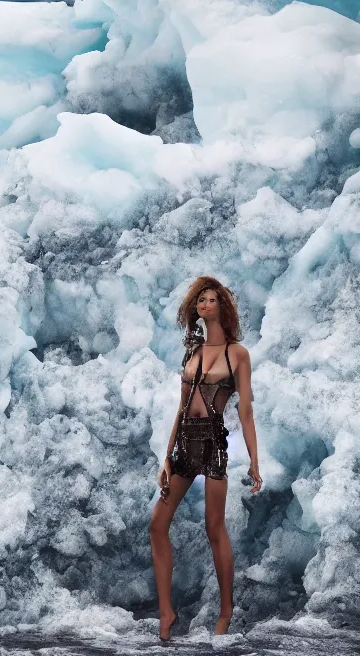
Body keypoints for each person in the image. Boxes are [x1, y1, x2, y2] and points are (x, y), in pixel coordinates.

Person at [148, 275, 263, 642]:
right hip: (184, 445)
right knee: (156, 524)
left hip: (213, 445)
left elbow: (245, 411)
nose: (205, 304)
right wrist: (166, 457)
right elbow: (180, 409)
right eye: (201, 300)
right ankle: (166, 612)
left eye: (212, 299)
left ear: (222, 306)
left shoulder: (238, 354)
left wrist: (255, 463)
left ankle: (225, 611)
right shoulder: (192, 354)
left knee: (214, 529)